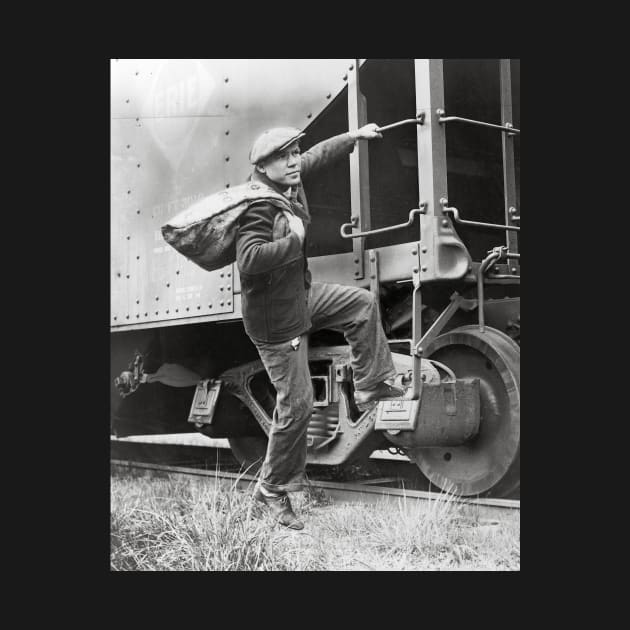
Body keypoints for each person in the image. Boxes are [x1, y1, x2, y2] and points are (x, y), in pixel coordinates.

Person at [236, 125, 404, 529]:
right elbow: (248, 259)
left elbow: (318, 155)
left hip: (300, 296)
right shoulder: (257, 205)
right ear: (262, 167)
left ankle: (369, 386)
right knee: (297, 405)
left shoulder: (288, 178)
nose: (295, 161)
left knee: (361, 304)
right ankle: (271, 490)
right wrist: (294, 239)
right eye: (285, 156)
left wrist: (355, 136)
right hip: (276, 320)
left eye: (295, 152)